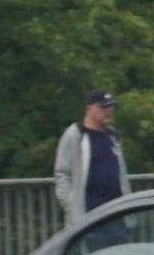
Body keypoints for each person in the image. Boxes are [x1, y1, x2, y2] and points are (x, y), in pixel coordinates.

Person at [52, 90, 130, 221]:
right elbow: (62, 174)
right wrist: (70, 206)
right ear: (88, 109)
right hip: (89, 218)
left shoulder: (113, 137)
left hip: (116, 216)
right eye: (103, 107)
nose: (108, 110)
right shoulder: (75, 136)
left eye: (110, 106)